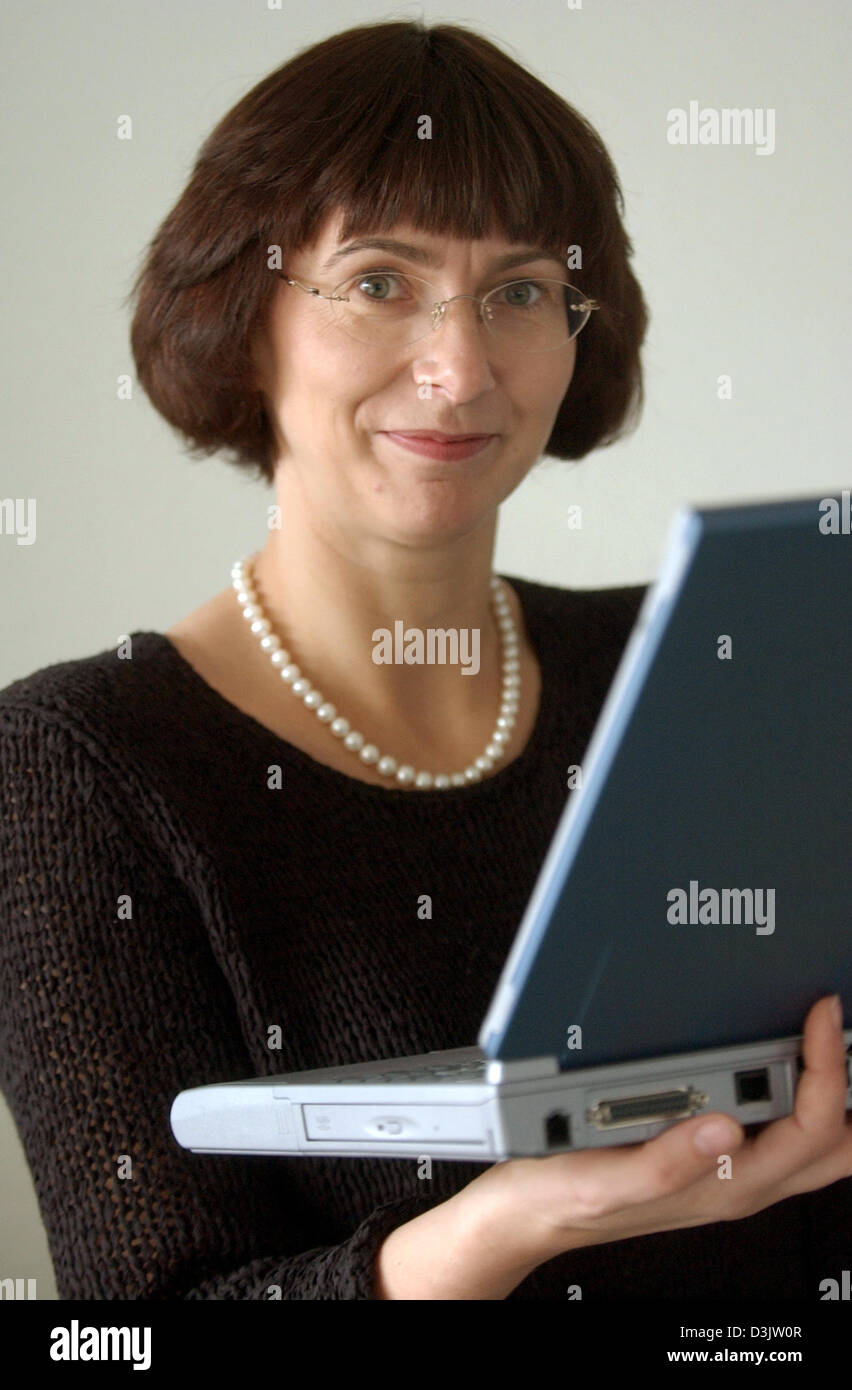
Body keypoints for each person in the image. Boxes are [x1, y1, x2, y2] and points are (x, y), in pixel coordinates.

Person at [1, 20, 848, 1302]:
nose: (457, 372)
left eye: (517, 290)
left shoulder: (692, 664)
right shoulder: (73, 765)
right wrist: (495, 1235)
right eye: (381, 280)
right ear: (245, 315)